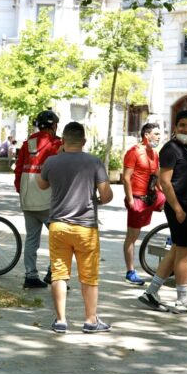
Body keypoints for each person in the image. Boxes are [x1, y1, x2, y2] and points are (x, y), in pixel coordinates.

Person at [37, 122, 113, 334]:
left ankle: (61, 320)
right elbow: (106, 195)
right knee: (89, 276)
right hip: (86, 228)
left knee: (59, 274)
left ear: (63, 141)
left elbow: (41, 185)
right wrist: (96, 200)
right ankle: (90, 321)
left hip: (58, 226)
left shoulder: (52, 161)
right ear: (84, 141)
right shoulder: (94, 162)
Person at [138, 110, 187, 314]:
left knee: (177, 250)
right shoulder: (171, 149)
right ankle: (182, 299)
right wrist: (177, 209)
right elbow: (164, 181)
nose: (186, 129)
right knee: (184, 254)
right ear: (175, 127)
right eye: (182, 125)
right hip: (179, 206)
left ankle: (152, 291)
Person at [14, 110, 62, 288]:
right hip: (48, 199)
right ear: (54, 126)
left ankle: (30, 275)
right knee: (60, 238)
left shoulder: (28, 144)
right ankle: (54, 273)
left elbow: (18, 170)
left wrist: (21, 191)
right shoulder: (57, 144)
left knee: (32, 239)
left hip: (28, 198)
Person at [122, 123, 165, 285]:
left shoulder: (154, 153)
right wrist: (131, 200)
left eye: (160, 134)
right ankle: (130, 272)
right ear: (146, 135)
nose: (159, 137)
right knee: (132, 236)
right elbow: (126, 178)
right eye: (156, 134)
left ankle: (175, 242)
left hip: (152, 196)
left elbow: (157, 176)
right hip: (137, 198)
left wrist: (165, 193)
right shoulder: (134, 152)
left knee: (173, 206)